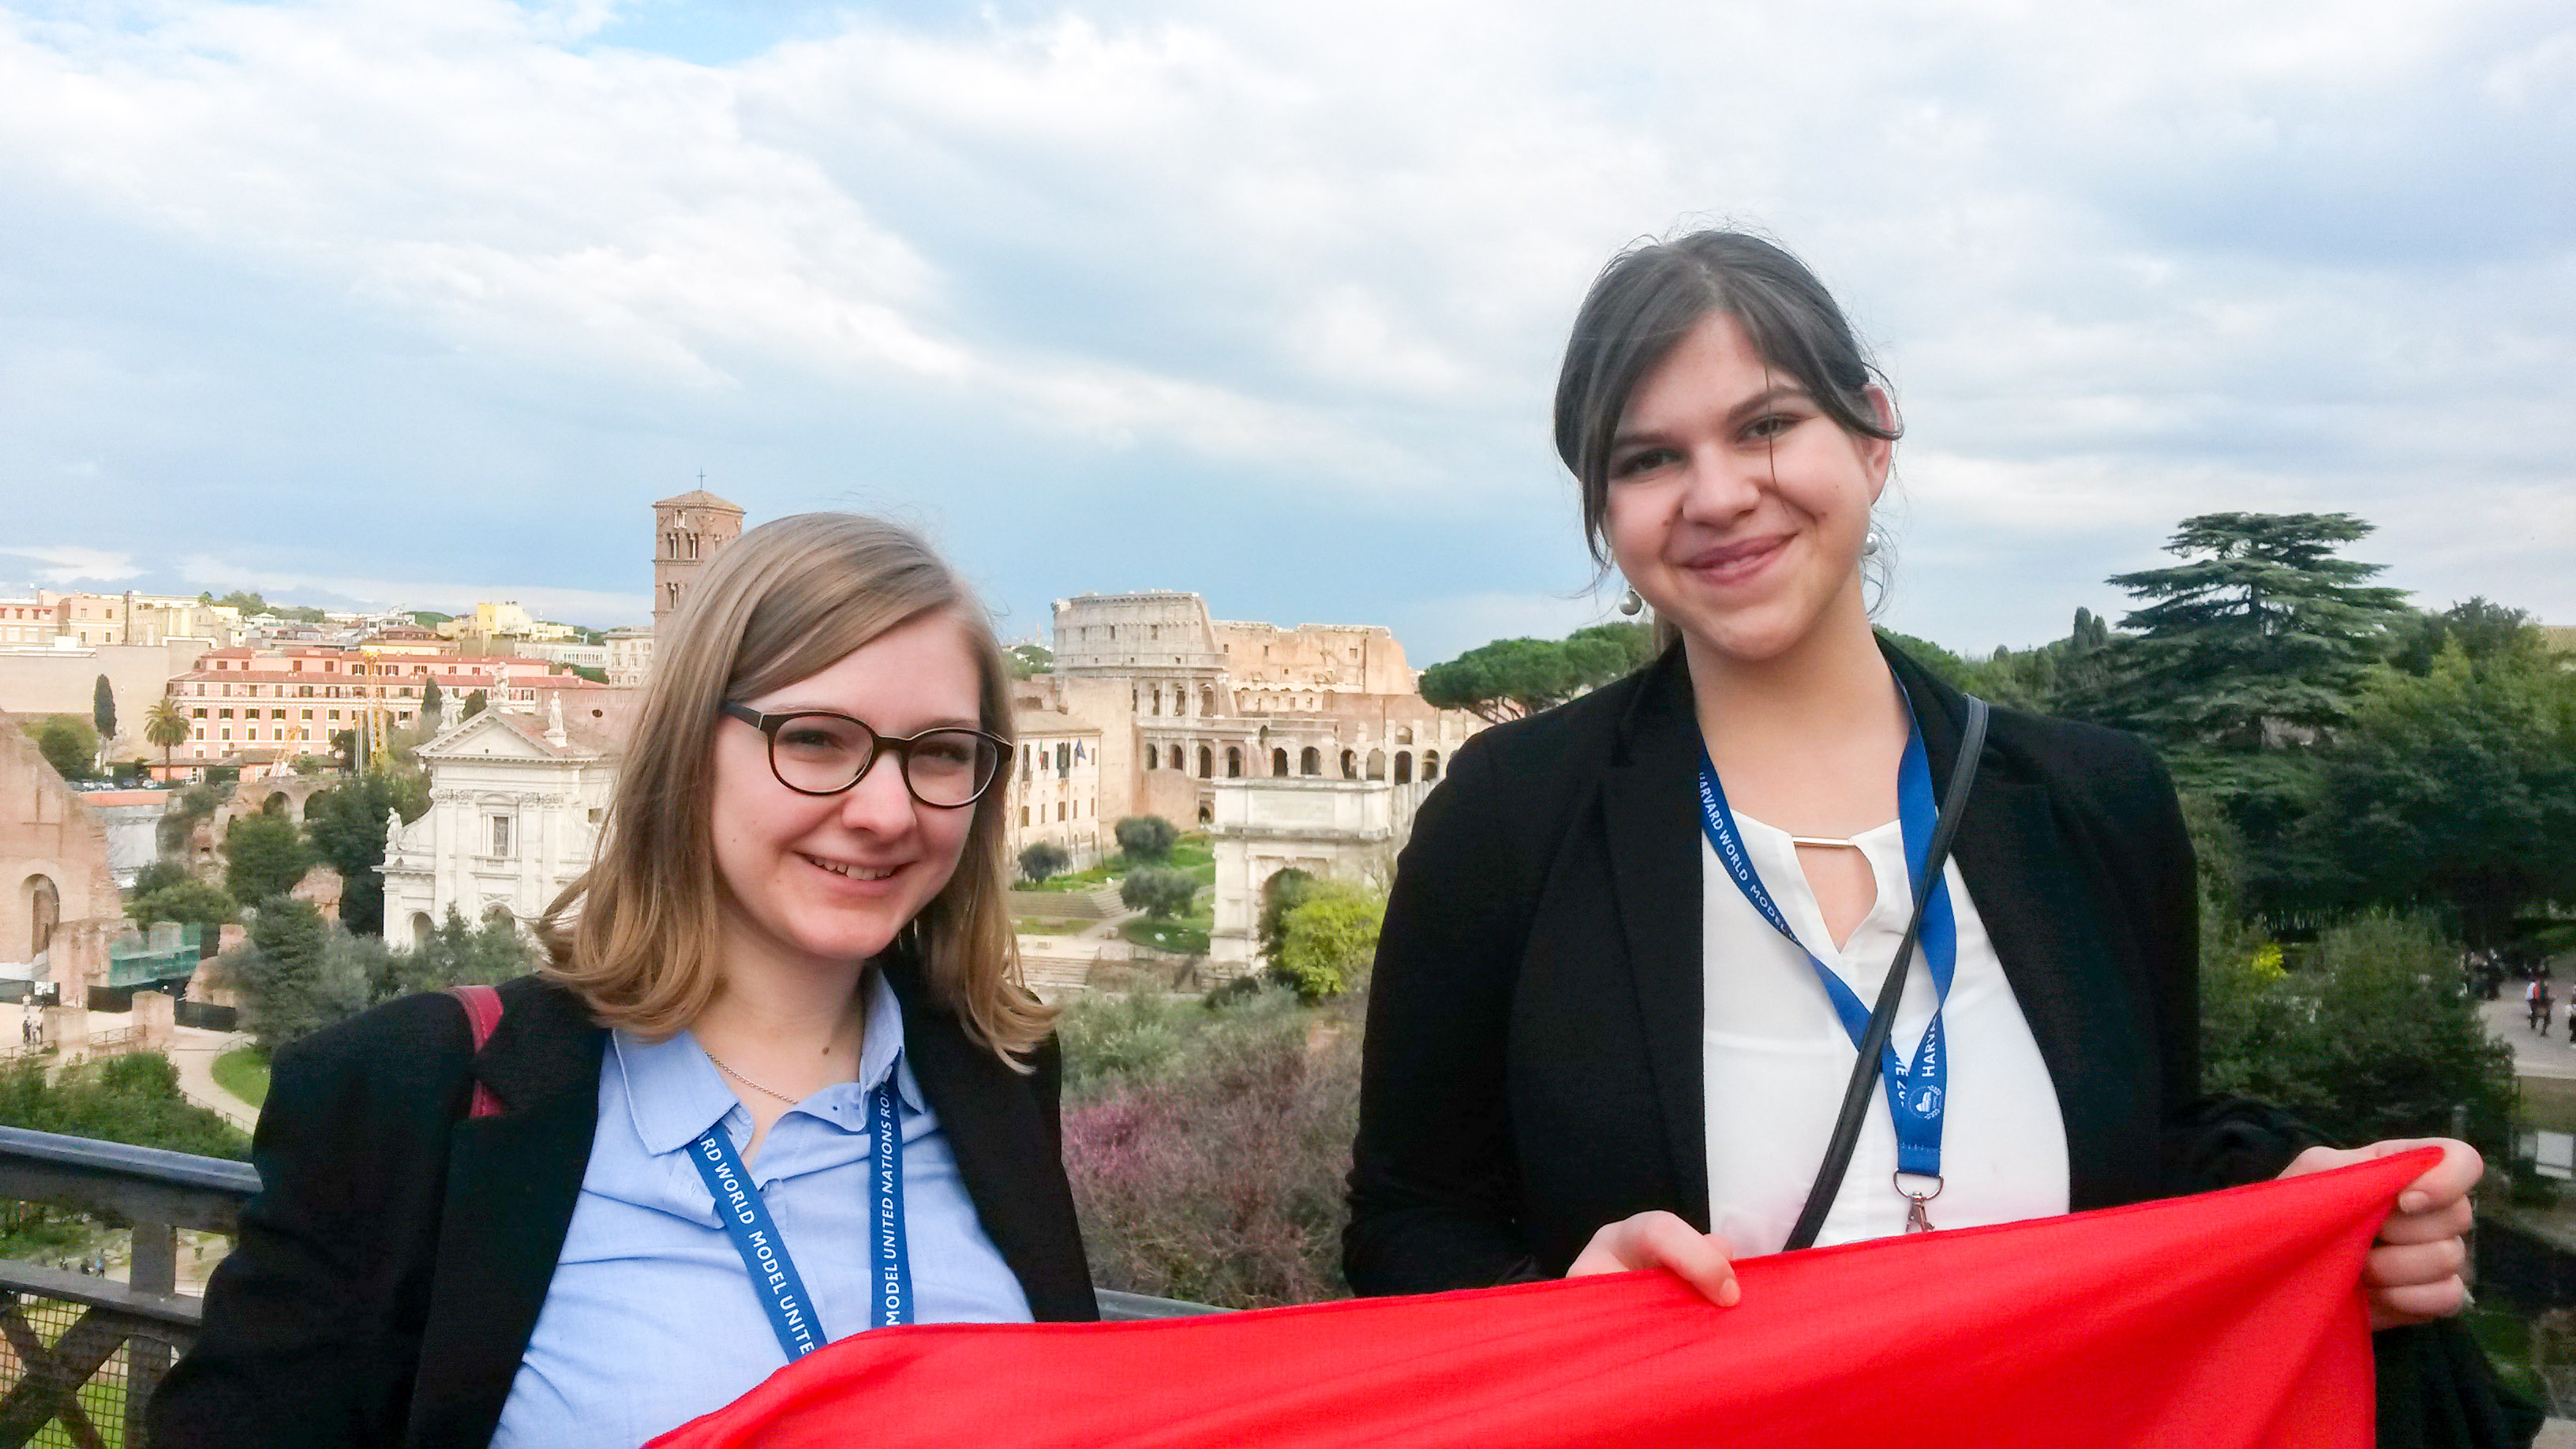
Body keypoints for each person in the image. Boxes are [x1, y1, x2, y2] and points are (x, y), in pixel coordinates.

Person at [1346, 230, 2522, 1441]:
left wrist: (2308, 1211)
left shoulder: (2093, 799)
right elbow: (1404, 1221)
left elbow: (2152, 1143)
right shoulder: (1511, 815)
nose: (1716, 494)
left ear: (1871, 434)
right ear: (1608, 512)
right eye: (1649, 458)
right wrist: (1549, 1310)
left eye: (1765, 425)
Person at [154, 515, 1095, 1449]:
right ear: (689, 753)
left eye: (940, 753)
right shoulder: (402, 1095)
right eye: (814, 740)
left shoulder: (999, 1073)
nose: (886, 812)